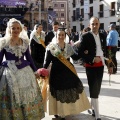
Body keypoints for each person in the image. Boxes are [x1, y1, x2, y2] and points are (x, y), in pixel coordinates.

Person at [0, 18, 44, 120]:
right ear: (9, 29)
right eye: (13, 28)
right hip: (9, 73)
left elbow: (29, 58)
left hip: (25, 72)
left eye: (17, 28)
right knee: (13, 97)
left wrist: (35, 70)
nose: (15, 30)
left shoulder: (25, 42)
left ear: (21, 29)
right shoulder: (4, 42)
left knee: (27, 96)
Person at [43, 29, 91, 120]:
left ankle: (66, 110)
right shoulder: (51, 47)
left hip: (68, 72)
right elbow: (47, 62)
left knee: (68, 90)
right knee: (57, 92)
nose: (61, 37)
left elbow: (75, 57)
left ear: (65, 36)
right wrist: (43, 71)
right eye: (59, 35)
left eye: (62, 35)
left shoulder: (69, 47)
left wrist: (82, 51)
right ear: (56, 36)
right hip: (56, 73)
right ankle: (59, 112)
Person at [72, 16, 113, 120]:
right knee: (93, 89)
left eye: (96, 24)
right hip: (90, 66)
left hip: (101, 66)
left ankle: (91, 107)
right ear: (89, 25)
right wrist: (92, 58)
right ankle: (98, 116)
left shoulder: (103, 35)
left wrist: (110, 65)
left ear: (99, 24)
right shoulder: (85, 36)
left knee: (97, 89)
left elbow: (107, 51)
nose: (94, 26)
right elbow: (81, 52)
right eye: (92, 24)